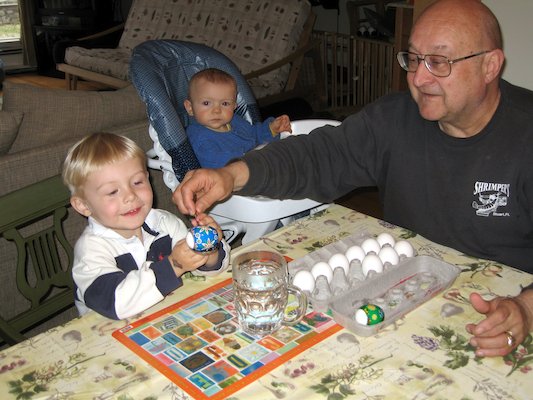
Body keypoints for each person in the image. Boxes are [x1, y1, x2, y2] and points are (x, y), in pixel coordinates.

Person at [173, 0, 533, 357]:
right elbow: (320, 155)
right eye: (413, 59)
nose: (419, 79)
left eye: (438, 62)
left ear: (490, 66)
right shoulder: (393, 118)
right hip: (400, 297)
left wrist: (527, 308)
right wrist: (229, 175)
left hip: (501, 309)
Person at [62, 132, 230, 320]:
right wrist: (174, 265)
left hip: (165, 318)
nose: (131, 196)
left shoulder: (164, 223)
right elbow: (116, 303)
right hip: (108, 337)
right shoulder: (91, 250)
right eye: (112, 191)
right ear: (84, 205)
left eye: (137, 182)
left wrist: (209, 249)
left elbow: (203, 271)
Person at [184, 68, 292, 168]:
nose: (217, 110)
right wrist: (251, 158)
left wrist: (271, 129)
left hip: (258, 165)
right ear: (190, 107)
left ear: (234, 106)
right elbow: (216, 162)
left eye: (225, 103)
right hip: (232, 181)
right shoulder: (197, 137)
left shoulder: (235, 121)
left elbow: (254, 134)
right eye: (206, 103)